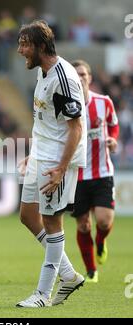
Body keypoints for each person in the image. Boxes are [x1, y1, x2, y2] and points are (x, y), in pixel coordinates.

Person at [16, 20, 87, 308]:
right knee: (27, 216)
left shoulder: (63, 77)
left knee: (51, 221)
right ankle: (69, 275)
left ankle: (43, 295)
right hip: (42, 155)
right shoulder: (43, 73)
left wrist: (60, 168)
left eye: (24, 44)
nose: (21, 50)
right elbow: (48, 121)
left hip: (58, 160)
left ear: (41, 46)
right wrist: (34, 153)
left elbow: (76, 128)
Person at [71, 60, 119, 283]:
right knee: (83, 224)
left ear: (89, 77)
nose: (80, 77)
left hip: (102, 173)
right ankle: (91, 270)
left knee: (103, 221)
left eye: (83, 73)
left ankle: (100, 241)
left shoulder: (104, 102)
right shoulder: (67, 107)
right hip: (78, 175)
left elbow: (113, 124)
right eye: (76, 74)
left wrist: (113, 140)